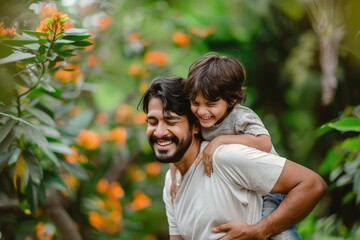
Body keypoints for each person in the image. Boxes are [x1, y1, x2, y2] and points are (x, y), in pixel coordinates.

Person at [139, 75, 327, 240]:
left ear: (195, 126)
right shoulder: (171, 181)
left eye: (171, 121)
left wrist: (259, 231)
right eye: (152, 122)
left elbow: (312, 184)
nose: (160, 132)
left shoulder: (225, 157)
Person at [171, 52, 300, 239]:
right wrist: (175, 167)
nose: (202, 111)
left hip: (270, 189)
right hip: (243, 187)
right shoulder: (201, 117)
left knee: (281, 235)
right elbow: (185, 143)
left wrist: (220, 141)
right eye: (195, 103)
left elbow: (264, 142)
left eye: (210, 104)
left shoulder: (240, 117)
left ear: (231, 100)